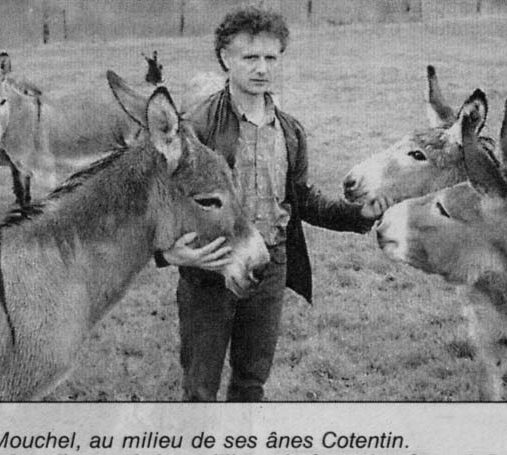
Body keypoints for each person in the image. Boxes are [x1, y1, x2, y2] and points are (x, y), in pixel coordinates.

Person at [156, 6, 387, 401]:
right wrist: (169, 254)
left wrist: (357, 215)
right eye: (250, 57)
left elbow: (302, 200)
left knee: (251, 382)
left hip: (271, 265)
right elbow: (162, 200)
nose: (262, 68)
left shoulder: (290, 131)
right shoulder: (196, 127)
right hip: (212, 268)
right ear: (225, 58)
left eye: (271, 57)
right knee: (199, 389)